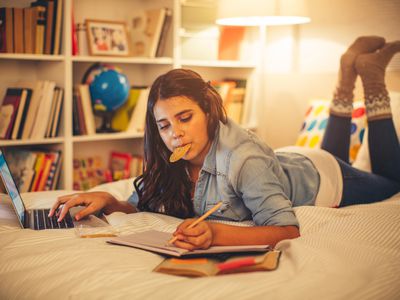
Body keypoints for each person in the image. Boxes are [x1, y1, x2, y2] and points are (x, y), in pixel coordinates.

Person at [50, 36, 400, 250]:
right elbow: (143, 204)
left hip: (324, 177)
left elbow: (287, 229)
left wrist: (215, 234)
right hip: (287, 159)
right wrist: (109, 200)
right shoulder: (171, 157)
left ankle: (371, 80)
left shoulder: (243, 160)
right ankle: (345, 76)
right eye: (164, 125)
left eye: (185, 118)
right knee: (332, 150)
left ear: (208, 111)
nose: (175, 133)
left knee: (393, 180)